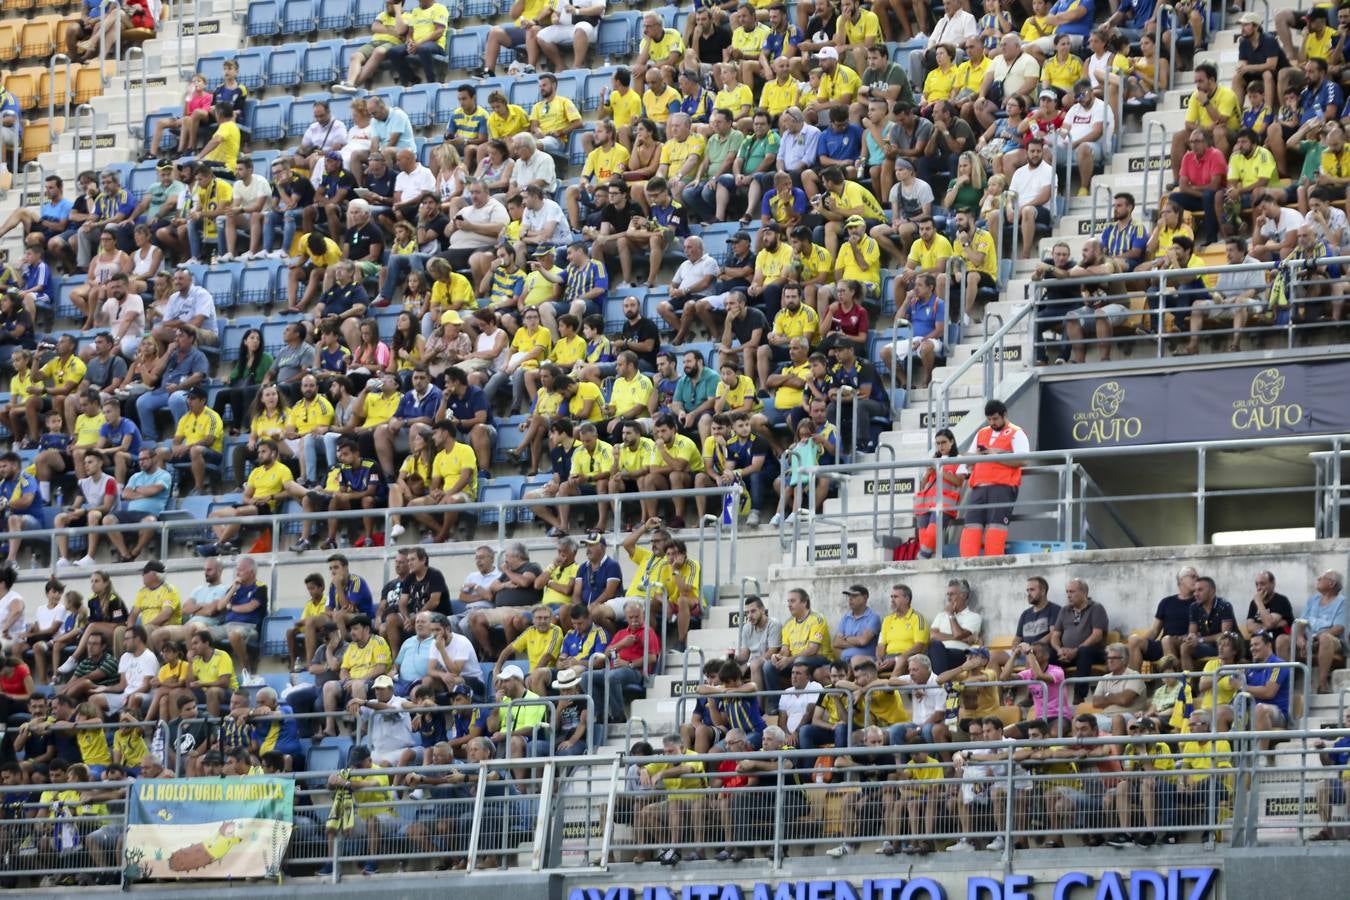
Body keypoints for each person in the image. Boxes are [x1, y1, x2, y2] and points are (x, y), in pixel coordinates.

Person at [959, 399, 1030, 557]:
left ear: (1004, 415)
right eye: (989, 419)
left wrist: (993, 455)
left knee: (995, 528)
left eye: (995, 419)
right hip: (978, 486)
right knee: (971, 526)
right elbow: (970, 460)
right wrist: (969, 460)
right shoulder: (982, 432)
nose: (992, 422)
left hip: (1002, 486)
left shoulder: (1016, 432)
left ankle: (993, 561)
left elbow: (1024, 460)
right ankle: (967, 562)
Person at [1299, 570, 1347, 694]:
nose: (1318, 579)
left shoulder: (1343, 602)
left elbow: (1338, 628)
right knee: (1283, 640)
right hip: (1309, 640)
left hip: (1332, 640)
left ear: (1331, 583)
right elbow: (1300, 622)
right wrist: (1300, 638)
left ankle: (1322, 684)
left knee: (1325, 638)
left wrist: (1315, 639)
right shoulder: (1313, 599)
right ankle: (1285, 683)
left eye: (1321, 578)